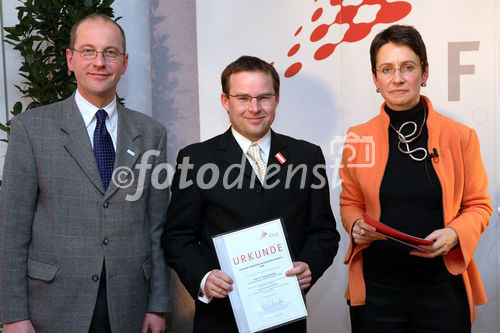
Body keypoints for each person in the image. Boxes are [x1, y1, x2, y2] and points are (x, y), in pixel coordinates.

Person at [0, 14, 169, 333]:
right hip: (52, 306)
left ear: (124, 62)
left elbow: (156, 227)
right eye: (88, 51)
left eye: (110, 52)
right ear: (70, 59)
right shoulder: (31, 129)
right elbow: (12, 229)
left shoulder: (151, 134)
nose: (100, 62)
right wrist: (13, 314)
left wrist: (158, 305)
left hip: (129, 304)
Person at [162, 55, 340, 332]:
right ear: (226, 101)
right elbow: (177, 236)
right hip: (220, 319)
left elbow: (325, 233)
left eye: (263, 97)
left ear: (277, 99)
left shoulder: (307, 156)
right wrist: (203, 277)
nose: (254, 108)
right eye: (243, 98)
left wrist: (309, 265)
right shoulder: (196, 159)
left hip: (285, 319)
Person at [339, 24, 492, 333]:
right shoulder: (357, 138)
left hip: (441, 287)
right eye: (387, 69)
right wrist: (355, 225)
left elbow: (479, 206)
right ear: (375, 79)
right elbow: (350, 203)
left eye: (407, 67)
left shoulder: (461, 137)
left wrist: (455, 234)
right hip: (377, 289)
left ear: (423, 73)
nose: (397, 78)